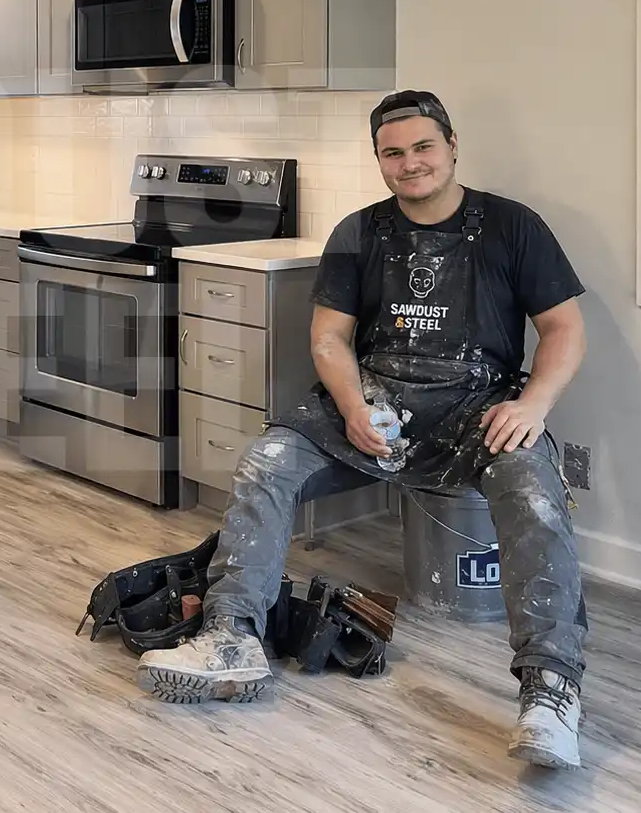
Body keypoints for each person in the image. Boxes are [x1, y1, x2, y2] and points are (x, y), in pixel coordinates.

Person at [136, 90, 589, 770]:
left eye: (423, 147)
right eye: (393, 153)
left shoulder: (511, 226)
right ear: (379, 160)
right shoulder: (359, 232)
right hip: (375, 409)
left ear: (452, 145)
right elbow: (328, 337)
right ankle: (231, 636)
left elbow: (564, 329)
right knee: (269, 461)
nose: (410, 164)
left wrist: (535, 406)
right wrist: (351, 406)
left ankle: (552, 690)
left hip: (479, 414)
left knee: (533, 495)